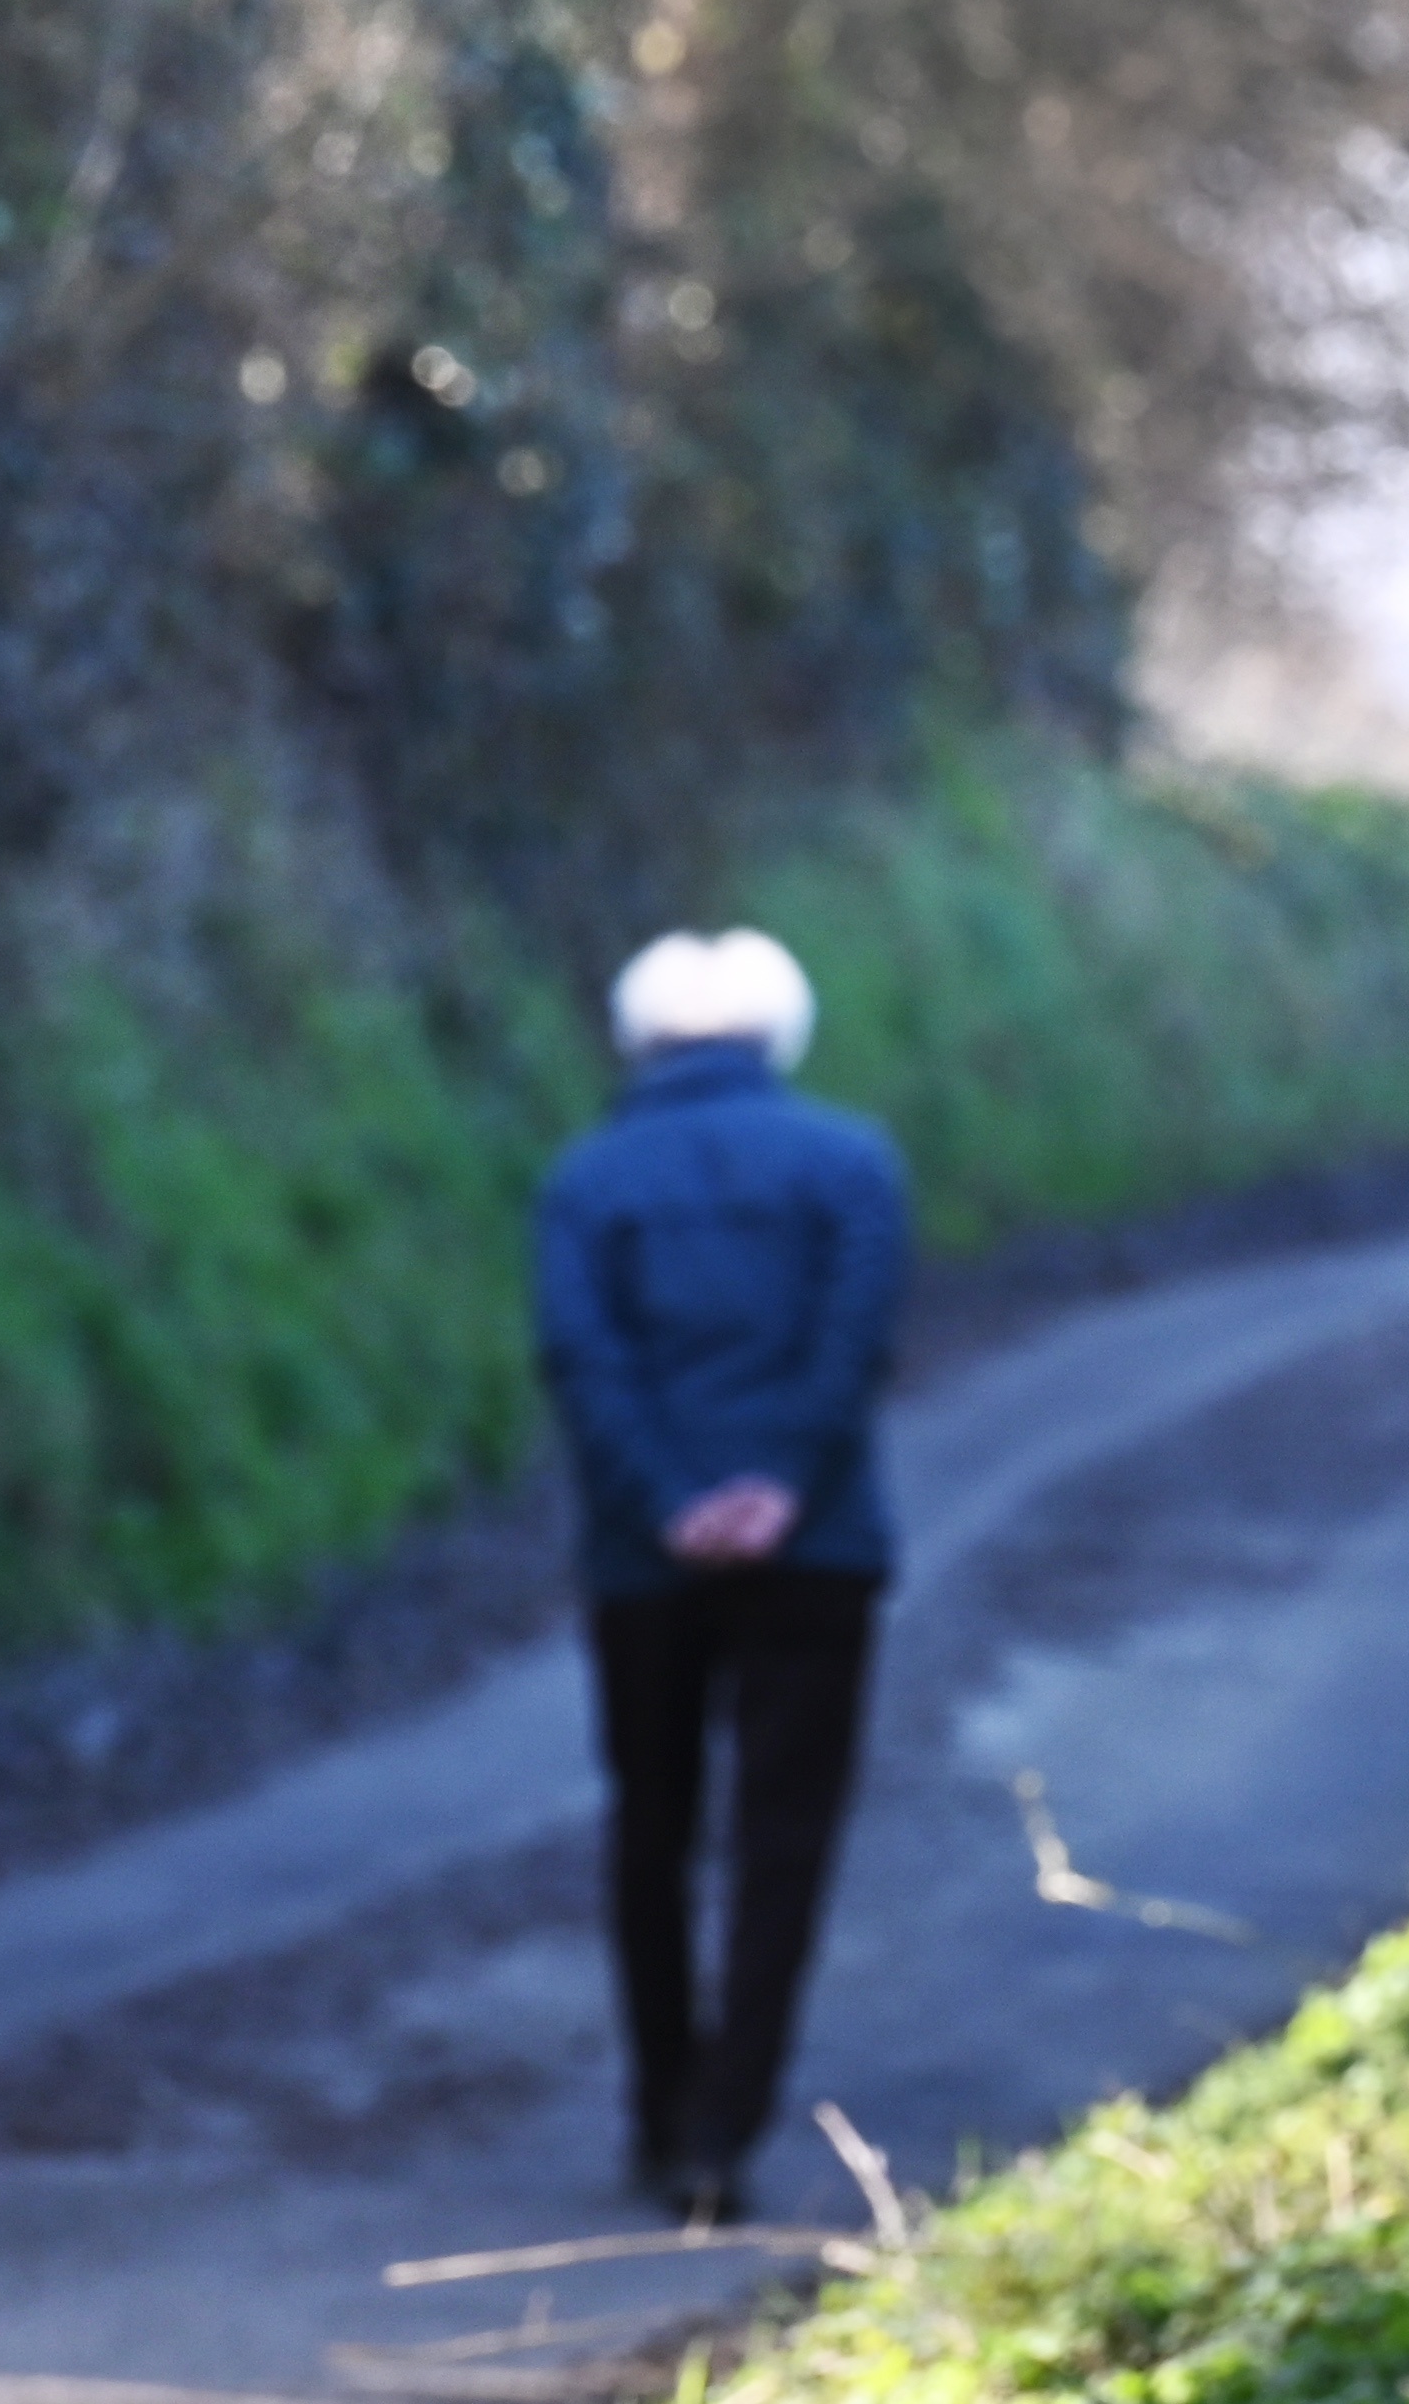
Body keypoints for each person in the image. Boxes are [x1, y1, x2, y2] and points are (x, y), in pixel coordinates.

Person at [530, 924, 910, 2227]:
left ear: (637, 1038)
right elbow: (852, 1341)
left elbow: (585, 1365)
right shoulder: (852, 1163)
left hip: (646, 1563)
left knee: (652, 1825)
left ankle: (656, 2105)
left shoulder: (588, 1180)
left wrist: (671, 1502)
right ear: (778, 1033)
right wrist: (780, 1487)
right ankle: (720, 2132)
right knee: (782, 1838)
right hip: (819, 1553)